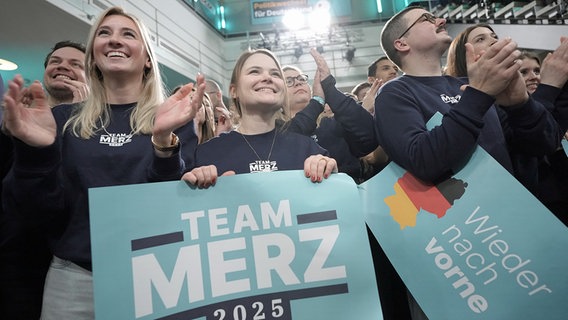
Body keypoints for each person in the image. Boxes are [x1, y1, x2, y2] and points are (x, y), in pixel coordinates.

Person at [2, 7, 203, 318]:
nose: (114, 41)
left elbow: (174, 210)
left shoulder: (173, 118)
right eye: (104, 33)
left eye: (128, 34)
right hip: (74, 279)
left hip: (156, 273)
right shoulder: (63, 120)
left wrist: (163, 142)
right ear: (93, 55)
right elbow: (39, 212)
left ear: (147, 58)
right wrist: (35, 153)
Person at [373, 7, 561, 319]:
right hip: (452, 250)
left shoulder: (467, 84)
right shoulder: (395, 93)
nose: (441, 20)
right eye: (427, 19)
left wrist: (520, 105)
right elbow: (424, 159)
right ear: (402, 43)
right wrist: (478, 94)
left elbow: (544, 144)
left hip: (510, 235)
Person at [0, 40, 88, 319]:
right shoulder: (15, 122)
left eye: (76, 64)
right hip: (19, 260)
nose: (63, 66)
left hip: (75, 265)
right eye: (56, 62)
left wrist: (76, 118)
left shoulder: (102, 131)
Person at [182, 49, 337, 188]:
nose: (267, 78)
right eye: (255, 72)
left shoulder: (308, 150)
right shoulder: (206, 155)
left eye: (275, 74)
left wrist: (330, 172)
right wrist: (195, 188)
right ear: (234, 91)